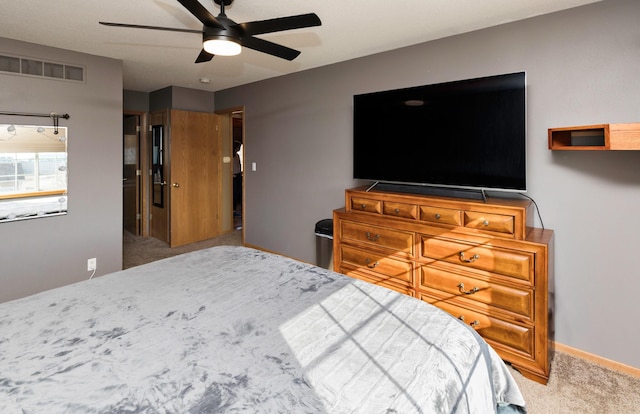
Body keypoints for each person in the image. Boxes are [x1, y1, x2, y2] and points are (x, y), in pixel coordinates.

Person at [233, 141, 242, 215]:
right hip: (233, 177)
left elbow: (239, 165)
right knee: (233, 194)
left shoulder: (237, 156)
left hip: (238, 175)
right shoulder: (230, 156)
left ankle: (235, 210)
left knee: (237, 193)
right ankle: (233, 210)